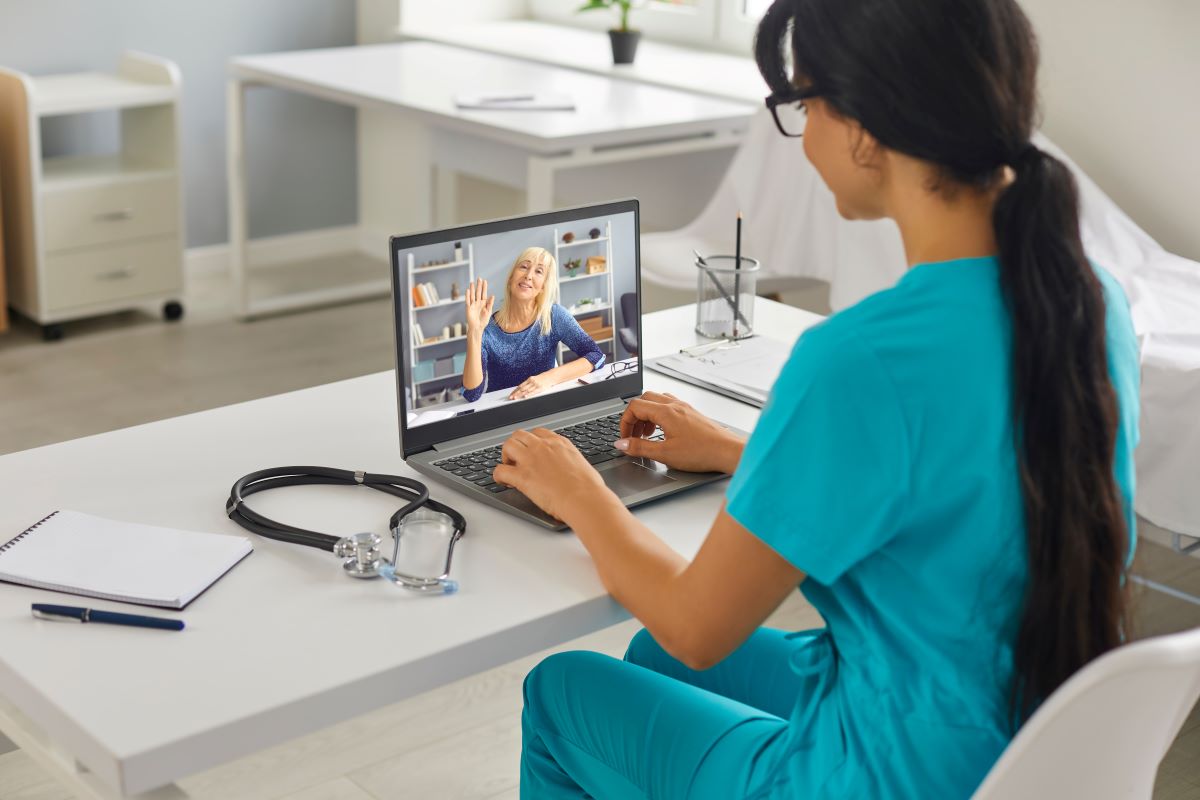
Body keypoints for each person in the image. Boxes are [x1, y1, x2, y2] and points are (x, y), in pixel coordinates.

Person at [491, 0, 1140, 797]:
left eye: (802, 104)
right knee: (649, 656)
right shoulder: (1091, 302)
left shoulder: (860, 357)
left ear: (864, 125)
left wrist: (579, 491)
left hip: (888, 774)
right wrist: (744, 452)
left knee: (562, 689)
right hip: (1020, 738)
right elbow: (957, 479)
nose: (800, 139)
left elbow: (698, 628)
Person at [462, 247, 606, 403]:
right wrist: (474, 332)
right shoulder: (487, 328)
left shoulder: (553, 316)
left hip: (545, 406)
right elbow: (472, 393)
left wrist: (549, 378)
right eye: (524, 267)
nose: (528, 276)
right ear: (511, 278)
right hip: (503, 409)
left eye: (538, 271)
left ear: (543, 286)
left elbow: (596, 356)